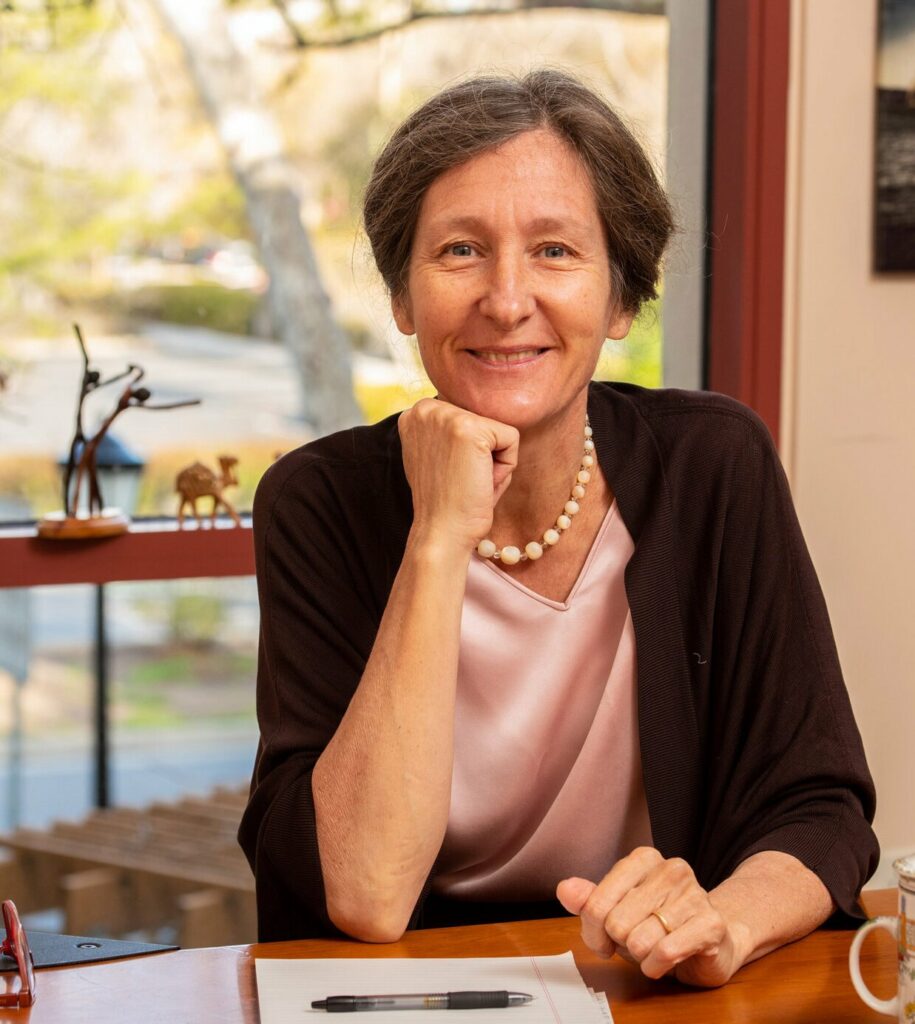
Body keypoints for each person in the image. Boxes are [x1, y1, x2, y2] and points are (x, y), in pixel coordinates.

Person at [238, 69, 877, 987]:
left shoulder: (713, 465)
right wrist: (436, 539)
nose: (505, 299)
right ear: (402, 299)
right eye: (459, 251)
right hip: (410, 996)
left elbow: (817, 805)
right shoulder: (317, 502)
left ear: (620, 300)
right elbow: (366, 891)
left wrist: (717, 926)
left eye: (554, 251)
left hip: (645, 992)